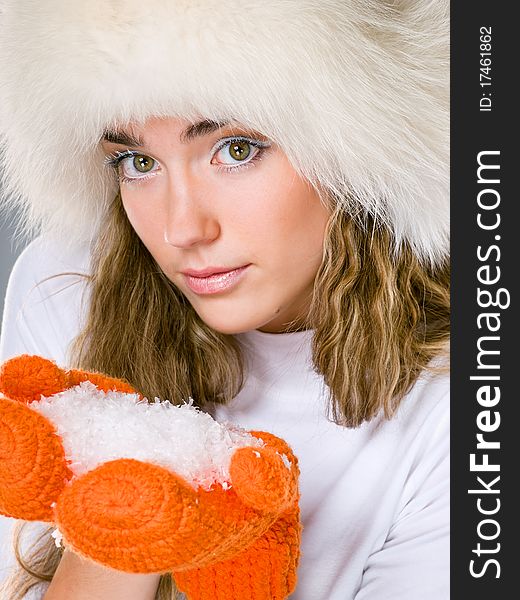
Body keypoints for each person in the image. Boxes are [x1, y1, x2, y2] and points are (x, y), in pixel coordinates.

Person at [0, 1, 450, 599]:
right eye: (137, 162)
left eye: (236, 149)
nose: (182, 228)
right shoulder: (64, 288)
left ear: (361, 149)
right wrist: (124, 510)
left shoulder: (460, 399)